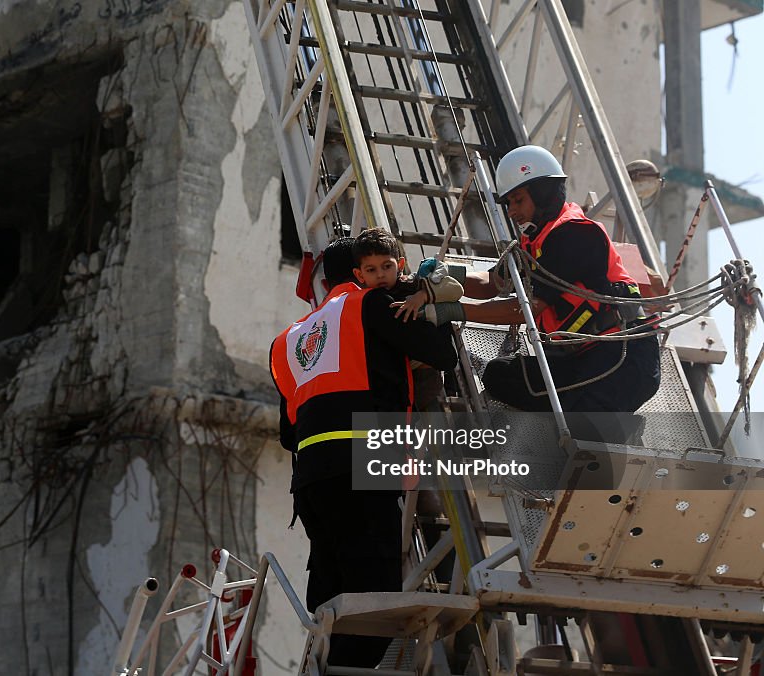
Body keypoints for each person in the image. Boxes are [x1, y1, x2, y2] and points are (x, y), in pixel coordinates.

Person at [269, 236, 458, 668]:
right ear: (357, 273)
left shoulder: (288, 340)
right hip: (364, 465)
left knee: (332, 599)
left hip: (312, 482)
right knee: (375, 604)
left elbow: (287, 434)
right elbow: (440, 355)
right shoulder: (367, 305)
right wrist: (436, 307)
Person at [414, 145, 661, 413]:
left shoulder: (574, 235)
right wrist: (446, 272)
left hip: (622, 359)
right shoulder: (534, 243)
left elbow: (527, 308)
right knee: (501, 375)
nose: (511, 211)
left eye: (518, 200)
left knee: (585, 428)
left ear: (543, 194)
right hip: (581, 358)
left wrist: (455, 310)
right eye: (508, 203)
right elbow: (492, 283)